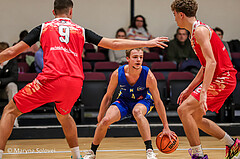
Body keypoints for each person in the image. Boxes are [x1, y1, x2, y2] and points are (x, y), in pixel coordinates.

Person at [0, 0, 169, 158]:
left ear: (53, 11)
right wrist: (147, 42)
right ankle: (77, 154)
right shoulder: (80, 30)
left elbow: (11, 52)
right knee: (64, 115)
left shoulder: (43, 28)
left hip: (51, 80)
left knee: (10, 110)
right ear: (71, 12)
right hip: (74, 83)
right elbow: (114, 44)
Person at [171, 0, 240, 159]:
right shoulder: (193, 33)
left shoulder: (200, 31)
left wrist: (202, 92)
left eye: (174, 14)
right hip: (219, 77)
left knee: (183, 110)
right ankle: (233, 145)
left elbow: (212, 62)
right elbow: (204, 66)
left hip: (224, 78)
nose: (174, 18)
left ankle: (198, 155)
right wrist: (189, 89)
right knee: (195, 118)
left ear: (181, 14)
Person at [83, 48, 175, 159]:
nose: (138, 60)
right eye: (135, 57)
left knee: (137, 112)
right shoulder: (118, 73)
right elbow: (108, 96)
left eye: (141, 57)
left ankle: (149, 150)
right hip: (124, 100)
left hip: (143, 100)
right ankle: (92, 152)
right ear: (128, 59)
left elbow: (158, 101)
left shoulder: (148, 76)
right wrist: (100, 117)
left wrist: (166, 126)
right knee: (105, 121)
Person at [0, 42, 19, 128]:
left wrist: (1, 82)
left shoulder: (12, 61)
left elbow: (14, 77)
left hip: (5, 89)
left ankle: (14, 122)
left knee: (12, 86)